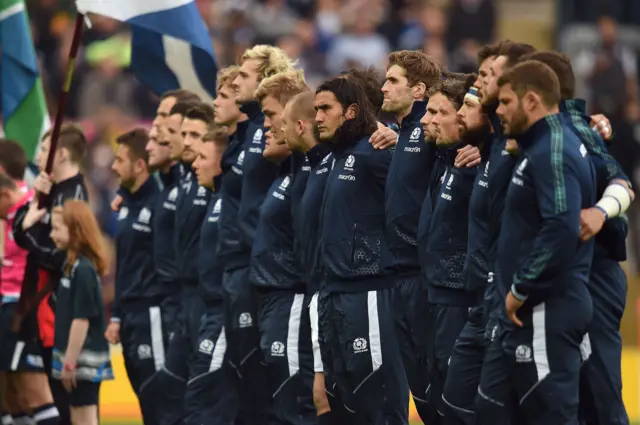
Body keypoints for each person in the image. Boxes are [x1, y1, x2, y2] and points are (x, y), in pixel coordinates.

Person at [521, 50, 634, 425]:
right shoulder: (537, 134)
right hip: (566, 275)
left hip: (594, 272)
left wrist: (600, 212)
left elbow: (623, 184)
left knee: (599, 393)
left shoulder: (576, 129)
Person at [486, 59, 595, 424]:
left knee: (551, 416)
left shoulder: (551, 150)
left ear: (531, 101)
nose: (498, 110)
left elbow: (561, 227)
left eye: (504, 102)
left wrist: (520, 289)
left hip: (545, 307)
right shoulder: (542, 145)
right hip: (537, 311)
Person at [315, 76, 407, 425]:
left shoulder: (377, 151)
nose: (318, 117)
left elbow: (413, 197)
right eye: (316, 110)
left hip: (368, 293)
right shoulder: (340, 155)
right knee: (347, 404)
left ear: (351, 111)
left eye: (325, 109)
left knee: (377, 402)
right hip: (335, 293)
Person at [224, 45, 295, 425]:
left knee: (268, 383)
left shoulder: (272, 132)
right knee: (250, 379)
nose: (236, 80)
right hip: (249, 265)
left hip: (268, 268)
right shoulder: (252, 129)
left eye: (246, 75)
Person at [13, 124, 91, 425]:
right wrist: (35, 201)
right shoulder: (54, 191)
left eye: (44, 149)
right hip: (41, 307)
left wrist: (29, 231)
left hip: (57, 307)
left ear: (60, 154)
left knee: (64, 401)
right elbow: (21, 233)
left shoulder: (73, 196)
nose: (38, 156)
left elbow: (58, 256)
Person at [379, 50, 441, 423]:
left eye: (393, 81)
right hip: (398, 275)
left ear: (418, 89)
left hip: (424, 276)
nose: (384, 87)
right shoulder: (400, 133)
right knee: (418, 386)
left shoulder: (432, 130)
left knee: (437, 386)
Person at [251, 70, 316, 425]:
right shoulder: (287, 169)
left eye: (271, 115)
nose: (265, 126)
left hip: (292, 297)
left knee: (297, 406)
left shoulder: (307, 167)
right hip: (274, 298)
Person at [440, 43, 500, 425]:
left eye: (467, 106)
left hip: (505, 300)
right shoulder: (476, 155)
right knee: (453, 405)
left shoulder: (510, 154)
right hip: (479, 298)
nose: (460, 115)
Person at [417, 76, 480, 421]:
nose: (427, 119)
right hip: (434, 294)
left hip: (461, 299)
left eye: (438, 112)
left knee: (459, 406)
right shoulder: (442, 158)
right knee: (437, 400)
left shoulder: (477, 161)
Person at [152, 102, 214, 425]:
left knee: (198, 396)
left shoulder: (213, 177)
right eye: (183, 134)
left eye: (193, 134)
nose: (185, 141)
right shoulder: (182, 177)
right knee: (171, 391)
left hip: (206, 299)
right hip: (183, 299)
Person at [281, 91, 337, 424]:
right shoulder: (309, 165)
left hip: (333, 293)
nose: (275, 128)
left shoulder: (332, 164)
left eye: (283, 122)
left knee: (327, 395)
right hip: (318, 293)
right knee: (322, 395)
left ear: (301, 126)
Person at [106, 129, 161, 425]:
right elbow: (125, 265)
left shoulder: (159, 203)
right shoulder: (125, 205)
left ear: (140, 165)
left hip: (151, 314)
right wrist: (116, 315)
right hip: (128, 316)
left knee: (158, 399)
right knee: (143, 399)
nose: (113, 167)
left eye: (119, 160)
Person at [184, 128, 237, 425]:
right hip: (207, 312)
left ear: (222, 162)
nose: (195, 163)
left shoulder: (230, 199)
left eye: (203, 157)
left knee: (202, 402)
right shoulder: (214, 199)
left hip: (223, 314)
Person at [49, 200, 113, 425]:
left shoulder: (84, 270)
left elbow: (81, 320)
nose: (51, 234)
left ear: (74, 230)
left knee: (85, 420)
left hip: (83, 362)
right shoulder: (71, 266)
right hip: (75, 360)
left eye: (56, 228)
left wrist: (69, 362)